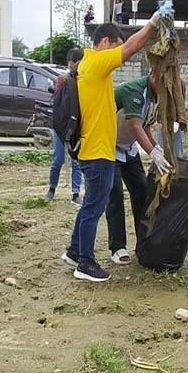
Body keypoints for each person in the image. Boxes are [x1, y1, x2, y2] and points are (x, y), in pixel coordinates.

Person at [60, 14, 160, 282]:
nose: (117, 51)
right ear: (105, 42)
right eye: (115, 45)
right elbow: (132, 48)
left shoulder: (86, 66)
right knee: (95, 205)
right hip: (99, 150)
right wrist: (152, 22)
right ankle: (85, 262)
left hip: (90, 147)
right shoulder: (96, 61)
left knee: (90, 203)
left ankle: (73, 250)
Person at [105, 73, 172, 265]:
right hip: (109, 146)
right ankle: (117, 247)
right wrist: (152, 152)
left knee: (142, 192)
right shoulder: (133, 90)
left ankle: (143, 241)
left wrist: (155, 146)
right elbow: (135, 126)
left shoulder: (155, 96)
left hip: (129, 148)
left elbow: (146, 125)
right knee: (115, 195)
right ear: (152, 74)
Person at [47, 48, 84, 205]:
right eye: (74, 62)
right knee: (59, 159)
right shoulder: (62, 80)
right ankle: (51, 189)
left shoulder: (83, 80)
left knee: (76, 161)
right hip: (61, 126)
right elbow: (58, 104)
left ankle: (76, 193)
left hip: (76, 126)